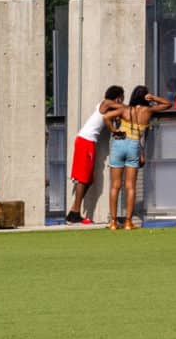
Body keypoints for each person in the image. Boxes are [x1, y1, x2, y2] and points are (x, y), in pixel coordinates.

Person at [106, 85, 168, 231]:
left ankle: (113, 222)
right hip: (134, 145)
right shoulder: (149, 111)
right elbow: (167, 104)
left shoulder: (124, 109)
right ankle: (128, 222)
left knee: (115, 185)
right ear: (145, 97)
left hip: (119, 144)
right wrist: (153, 97)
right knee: (130, 186)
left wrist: (115, 131)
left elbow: (106, 117)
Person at [64, 88, 122, 223]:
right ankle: (75, 213)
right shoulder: (106, 103)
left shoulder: (106, 108)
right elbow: (122, 107)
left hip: (88, 142)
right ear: (118, 97)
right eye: (121, 97)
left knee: (88, 179)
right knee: (83, 178)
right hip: (86, 140)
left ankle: (74, 211)